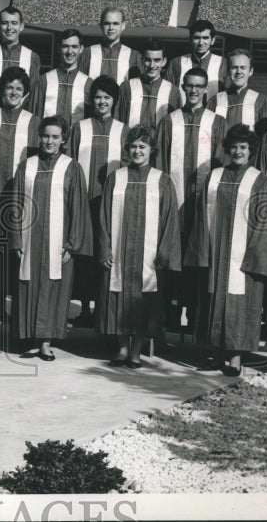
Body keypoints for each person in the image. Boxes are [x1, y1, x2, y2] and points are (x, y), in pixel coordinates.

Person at [185, 123, 267, 377]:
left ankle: (235, 358)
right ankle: (216, 354)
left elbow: (265, 221)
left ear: (251, 150)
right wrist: (202, 250)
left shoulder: (259, 180)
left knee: (239, 305)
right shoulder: (214, 177)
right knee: (213, 301)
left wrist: (254, 257)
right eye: (234, 146)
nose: (238, 151)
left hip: (244, 257)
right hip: (215, 253)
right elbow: (201, 217)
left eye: (243, 147)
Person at [8, 117, 92, 361]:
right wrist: (16, 240)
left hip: (59, 242)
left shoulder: (71, 167)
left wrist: (71, 244)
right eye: (46, 136)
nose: (49, 141)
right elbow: (15, 205)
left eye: (55, 137)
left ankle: (46, 343)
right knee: (28, 286)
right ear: (39, 137)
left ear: (63, 139)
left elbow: (78, 208)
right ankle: (30, 340)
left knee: (55, 288)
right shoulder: (26, 166)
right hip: (30, 239)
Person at [96, 125, 181, 368]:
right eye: (133, 146)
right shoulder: (116, 178)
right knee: (118, 296)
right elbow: (103, 218)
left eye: (142, 146)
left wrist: (164, 253)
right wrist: (104, 248)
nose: (137, 151)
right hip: (119, 251)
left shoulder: (162, 180)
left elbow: (170, 220)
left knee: (145, 299)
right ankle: (122, 348)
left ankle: (136, 350)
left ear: (152, 149)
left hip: (149, 254)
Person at [154, 67, 226, 331]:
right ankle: (170, 316)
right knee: (171, 259)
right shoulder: (168, 121)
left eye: (199, 86)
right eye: (190, 85)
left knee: (199, 259)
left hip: (204, 205)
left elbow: (220, 164)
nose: (194, 90)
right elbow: (161, 164)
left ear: (206, 89)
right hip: (175, 203)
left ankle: (196, 318)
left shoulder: (216, 122)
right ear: (182, 87)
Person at [0, 66, 41, 318]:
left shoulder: (33, 122)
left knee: (14, 247)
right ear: (2, 90)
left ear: (25, 93)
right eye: (10, 87)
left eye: (19, 89)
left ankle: (7, 299)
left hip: (19, 195)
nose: (14, 92)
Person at [67, 75, 129, 327]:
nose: (102, 102)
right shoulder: (80, 128)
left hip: (111, 204)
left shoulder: (123, 130)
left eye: (107, 97)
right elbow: (71, 164)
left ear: (114, 101)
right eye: (98, 97)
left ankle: (102, 309)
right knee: (84, 256)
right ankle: (84, 308)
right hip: (84, 201)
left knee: (106, 254)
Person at [28, 28, 91, 124]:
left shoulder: (89, 84)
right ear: (58, 48)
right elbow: (33, 118)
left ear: (81, 49)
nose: (69, 51)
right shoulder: (43, 81)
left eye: (74, 47)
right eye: (65, 46)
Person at [116, 38, 181, 128]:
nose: (152, 65)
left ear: (164, 61)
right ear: (142, 60)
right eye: (148, 60)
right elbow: (117, 121)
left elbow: (177, 125)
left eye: (157, 60)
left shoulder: (173, 91)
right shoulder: (126, 87)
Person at [206, 49, 267, 133]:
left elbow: (265, 136)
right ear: (228, 71)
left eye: (243, 68)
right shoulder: (215, 101)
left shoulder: (261, 101)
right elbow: (207, 133)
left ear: (251, 71)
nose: (239, 72)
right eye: (234, 67)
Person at [0, 6, 41, 85]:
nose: (9, 28)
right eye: (5, 23)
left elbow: (33, 89)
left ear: (21, 26)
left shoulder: (32, 57)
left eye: (14, 23)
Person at [167, 19, 228, 99]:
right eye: (196, 38)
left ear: (212, 40)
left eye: (205, 38)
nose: (201, 43)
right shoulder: (176, 63)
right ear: (190, 39)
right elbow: (167, 92)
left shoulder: (224, 63)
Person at [80, 7, 141, 84]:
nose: (111, 28)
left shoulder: (134, 56)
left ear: (123, 26)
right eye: (107, 23)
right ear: (101, 25)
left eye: (115, 23)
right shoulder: (87, 53)